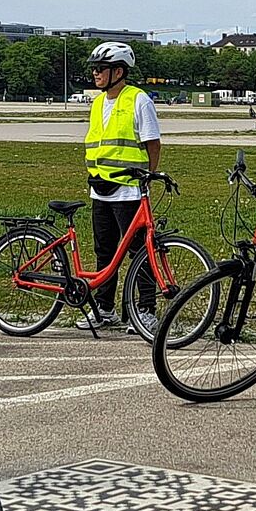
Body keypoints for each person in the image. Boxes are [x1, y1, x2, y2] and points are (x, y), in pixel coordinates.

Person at [79, 41, 161, 333]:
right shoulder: (98, 102)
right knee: (105, 251)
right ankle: (104, 308)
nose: (95, 74)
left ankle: (146, 310)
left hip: (129, 190)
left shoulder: (138, 100)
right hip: (100, 187)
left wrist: (149, 176)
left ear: (118, 71)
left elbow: (153, 142)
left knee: (140, 252)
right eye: (94, 68)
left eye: (100, 68)